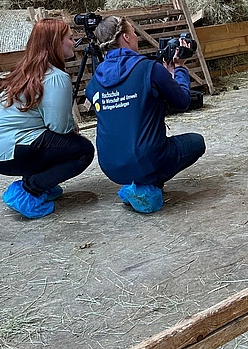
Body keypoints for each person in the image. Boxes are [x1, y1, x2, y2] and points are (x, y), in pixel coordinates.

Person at [0, 18, 95, 219]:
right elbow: (59, 126)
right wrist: (71, 126)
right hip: (8, 150)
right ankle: (29, 190)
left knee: (55, 142)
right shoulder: (56, 77)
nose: (73, 43)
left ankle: (40, 182)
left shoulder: (28, 71)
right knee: (82, 150)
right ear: (56, 42)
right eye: (69, 38)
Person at [86, 16, 206, 214]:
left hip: (111, 166)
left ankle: (138, 183)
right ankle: (149, 184)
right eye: (133, 33)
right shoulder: (148, 69)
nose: (135, 37)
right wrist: (180, 68)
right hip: (146, 160)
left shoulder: (95, 80)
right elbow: (183, 101)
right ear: (125, 37)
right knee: (196, 142)